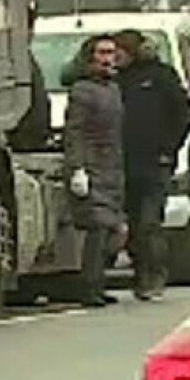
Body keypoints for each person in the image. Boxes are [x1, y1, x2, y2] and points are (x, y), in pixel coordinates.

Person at [114, 29, 190, 300]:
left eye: (120, 52)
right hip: (123, 163)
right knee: (134, 225)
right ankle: (139, 275)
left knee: (150, 222)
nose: (116, 57)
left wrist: (169, 148)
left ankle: (155, 276)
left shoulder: (161, 76)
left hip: (155, 162)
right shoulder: (115, 81)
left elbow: (183, 113)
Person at [64, 34, 127, 308]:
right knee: (98, 229)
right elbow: (74, 132)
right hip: (91, 165)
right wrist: (77, 168)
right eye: (101, 53)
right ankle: (89, 287)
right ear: (90, 56)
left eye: (111, 53)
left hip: (112, 166)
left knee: (114, 229)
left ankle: (99, 283)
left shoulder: (113, 88)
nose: (107, 58)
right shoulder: (82, 90)